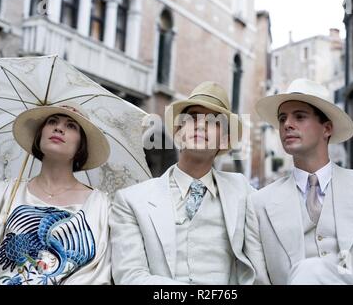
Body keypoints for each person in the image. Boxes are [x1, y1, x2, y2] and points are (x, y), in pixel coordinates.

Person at [248, 78, 353, 285]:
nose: (287, 124)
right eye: (282, 118)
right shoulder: (259, 205)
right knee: (309, 271)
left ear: (327, 128)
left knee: (311, 270)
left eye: (299, 116)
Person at [110, 81, 257, 284]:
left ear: (224, 140)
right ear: (179, 133)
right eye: (192, 118)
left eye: (214, 121)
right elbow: (129, 276)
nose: (201, 124)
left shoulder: (244, 192)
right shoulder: (131, 200)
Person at [0, 102, 112, 285]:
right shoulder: (9, 192)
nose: (59, 128)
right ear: (39, 136)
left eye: (71, 126)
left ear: (81, 146)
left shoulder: (102, 205)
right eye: (52, 121)